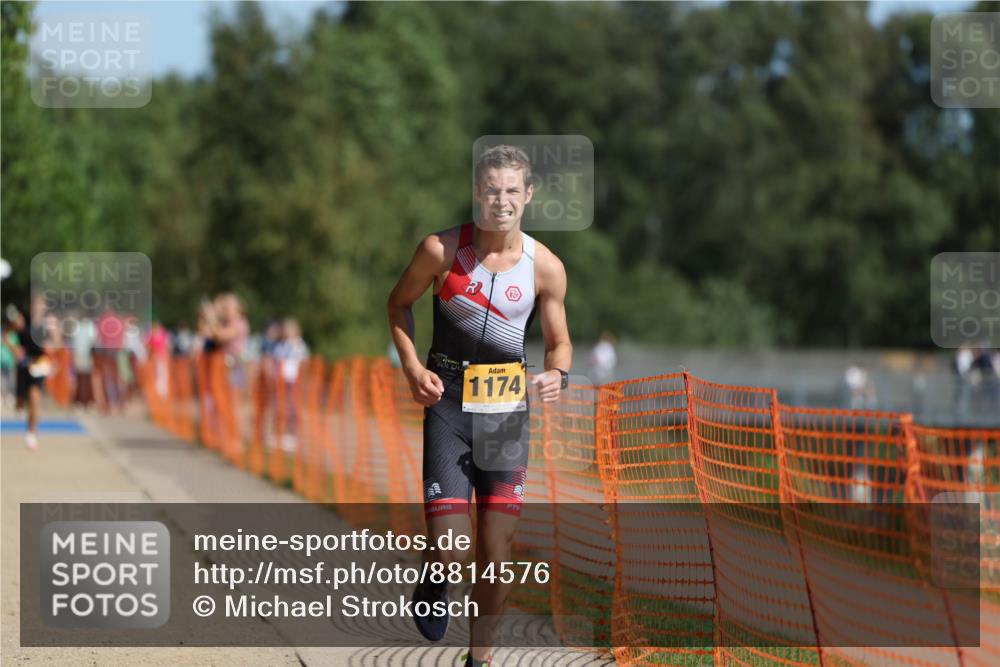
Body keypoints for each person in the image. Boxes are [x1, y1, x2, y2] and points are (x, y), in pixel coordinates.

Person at [387, 145, 572, 667]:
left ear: (528, 195)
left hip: (506, 408)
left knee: (497, 552)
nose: (501, 201)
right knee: (452, 548)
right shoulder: (440, 251)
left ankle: (480, 660)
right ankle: (437, 566)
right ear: (476, 192)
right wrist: (411, 367)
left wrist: (557, 372)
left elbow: (559, 342)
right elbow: (397, 304)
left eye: (512, 190)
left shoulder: (546, 268)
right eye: (492, 189)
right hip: (448, 404)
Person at [2, 302, 49, 449]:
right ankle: (20, 405)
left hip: (39, 365)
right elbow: (6, 336)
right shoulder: (23, 323)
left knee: (35, 398)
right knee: (21, 401)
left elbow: (55, 344)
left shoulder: (48, 324)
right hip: (24, 367)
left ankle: (31, 432)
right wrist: (15, 350)